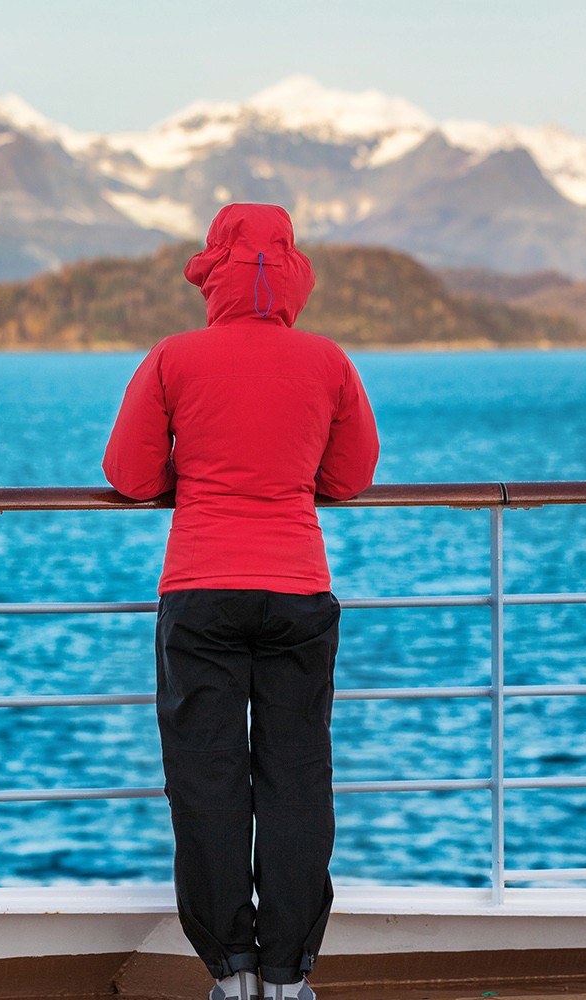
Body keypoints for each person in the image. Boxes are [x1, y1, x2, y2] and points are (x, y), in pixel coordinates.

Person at [102, 203, 380, 1000]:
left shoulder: (174, 359)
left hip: (200, 592)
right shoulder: (327, 361)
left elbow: (129, 475)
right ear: (294, 276)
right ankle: (291, 976)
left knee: (206, 778)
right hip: (296, 589)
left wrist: (189, 470)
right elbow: (351, 476)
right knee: (296, 778)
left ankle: (232, 970)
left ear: (210, 274)